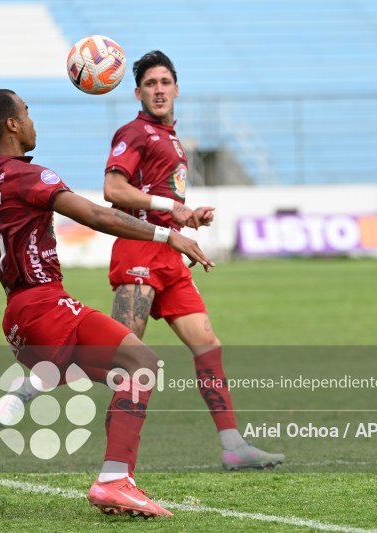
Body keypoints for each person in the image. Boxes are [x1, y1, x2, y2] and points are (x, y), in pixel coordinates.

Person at [0, 89, 213, 517]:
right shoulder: (29, 177)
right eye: (27, 114)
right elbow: (99, 215)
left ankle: (105, 465)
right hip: (45, 303)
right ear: (11, 125)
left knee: (130, 374)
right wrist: (168, 234)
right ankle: (113, 479)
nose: (32, 122)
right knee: (142, 364)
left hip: (18, 317)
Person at [102, 51, 283, 471]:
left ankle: (233, 445)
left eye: (165, 82)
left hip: (171, 252)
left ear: (177, 89)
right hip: (139, 249)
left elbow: (162, 200)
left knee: (208, 345)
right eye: (151, 83)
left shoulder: (171, 137)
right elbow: (113, 189)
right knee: (126, 355)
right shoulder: (134, 132)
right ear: (138, 92)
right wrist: (172, 209)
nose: (159, 89)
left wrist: (186, 214)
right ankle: (109, 457)